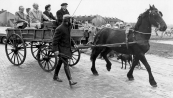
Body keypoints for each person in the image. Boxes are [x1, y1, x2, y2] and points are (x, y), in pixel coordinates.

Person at [52, 14, 77, 86]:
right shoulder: (59, 28)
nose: (71, 20)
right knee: (66, 64)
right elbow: (54, 41)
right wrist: (56, 50)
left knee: (60, 63)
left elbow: (69, 37)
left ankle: (55, 76)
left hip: (67, 48)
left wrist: (73, 44)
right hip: (61, 49)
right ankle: (70, 80)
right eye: (70, 19)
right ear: (66, 20)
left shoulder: (68, 27)